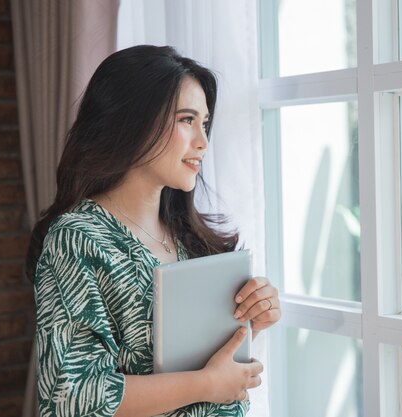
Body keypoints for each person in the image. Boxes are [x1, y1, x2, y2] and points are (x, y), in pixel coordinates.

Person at [25, 45, 281, 417]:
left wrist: (251, 322)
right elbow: (72, 396)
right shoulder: (77, 239)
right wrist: (207, 384)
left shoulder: (190, 239)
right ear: (134, 121)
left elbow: (193, 362)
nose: (203, 143)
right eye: (187, 120)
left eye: (205, 124)